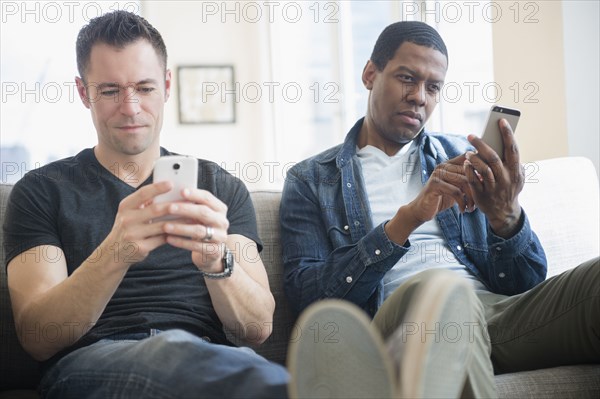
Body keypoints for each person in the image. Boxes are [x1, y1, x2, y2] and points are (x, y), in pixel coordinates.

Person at [281, 20, 599, 398]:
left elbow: (526, 285)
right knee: (444, 290)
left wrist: (506, 217)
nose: (419, 96)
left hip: (491, 315)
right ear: (370, 74)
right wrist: (407, 219)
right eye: (406, 78)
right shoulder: (312, 179)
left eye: (433, 87)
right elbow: (309, 302)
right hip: (396, 326)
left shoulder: (461, 160)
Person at [3, 10, 288, 398]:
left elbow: (257, 330)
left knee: (228, 361)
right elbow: (38, 337)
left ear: (167, 85)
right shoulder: (41, 190)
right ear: (83, 92)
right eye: (109, 90)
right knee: (175, 354)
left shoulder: (219, 187)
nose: (131, 107)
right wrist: (116, 252)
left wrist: (216, 262)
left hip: (208, 358)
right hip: (92, 362)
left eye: (144, 87)